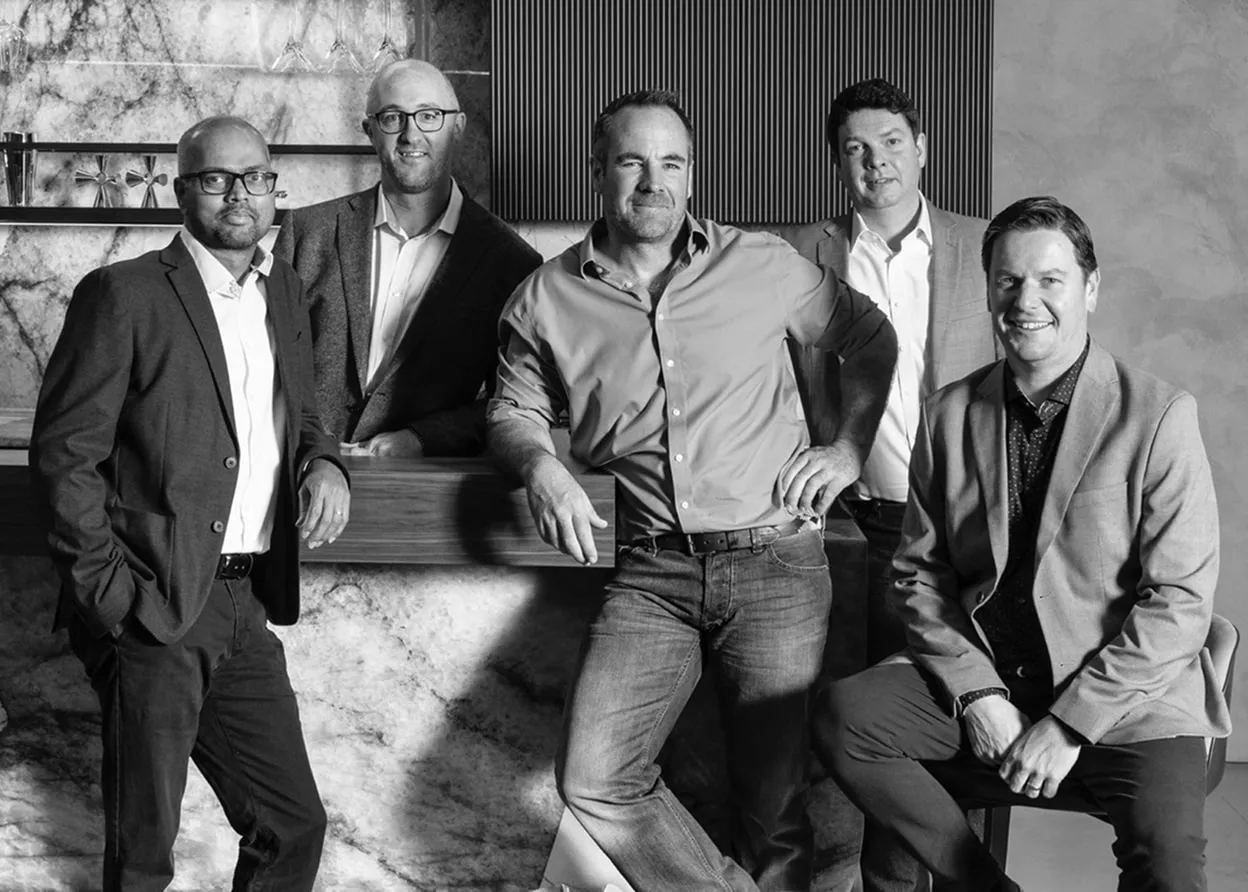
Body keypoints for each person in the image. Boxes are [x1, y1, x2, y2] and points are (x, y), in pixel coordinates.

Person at [487, 90, 898, 892]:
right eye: (633, 161)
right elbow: (512, 410)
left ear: (691, 171)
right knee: (596, 780)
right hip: (651, 574)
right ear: (598, 170)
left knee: (773, 804)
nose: (654, 181)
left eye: (671, 162)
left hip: (776, 562)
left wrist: (848, 448)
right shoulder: (546, 296)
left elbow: (867, 335)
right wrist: (541, 468)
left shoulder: (761, 263)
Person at [814, 196, 1230, 892]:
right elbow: (920, 576)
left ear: (1090, 289)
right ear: (986, 290)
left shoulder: (1159, 416)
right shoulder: (949, 413)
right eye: (1008, 281)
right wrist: (978, 695)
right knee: (845, 716)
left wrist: (1068, 725)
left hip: (1130, 704)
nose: (1025, 300)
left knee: (1171, 869)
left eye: (1049, 280)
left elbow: (1179, 604)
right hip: (997, 683)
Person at [30, 116, 351, 891]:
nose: (239, 194)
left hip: (245, 600)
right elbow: (65, 456)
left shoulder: (281, 290)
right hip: (153, 602)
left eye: (256, 178)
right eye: (216, 178)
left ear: (277, 190)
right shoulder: (124, 293)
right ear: (181, 192)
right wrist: (115, 601)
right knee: (145, 854)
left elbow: (302, 413)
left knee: (293, 825)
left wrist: (327, 462)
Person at [781, 77, 997, 892]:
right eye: (856, 149)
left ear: (924, 148)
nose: (876, 163)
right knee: (884, 730)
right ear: (838, 163)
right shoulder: (804, 252)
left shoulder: (984, 246)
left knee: (968, 717)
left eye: (891, 143)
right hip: (866, 522)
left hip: (976, 526)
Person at [274, 59, 541, 457]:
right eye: (393, 117)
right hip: (298, 481)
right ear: (369, 131)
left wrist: (420, 438)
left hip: (420, 493)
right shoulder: (305, 233)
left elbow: (514, 404)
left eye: (429, 116)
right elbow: (264, 363)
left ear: (459, 126)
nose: (410, 134)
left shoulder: (512, 264)